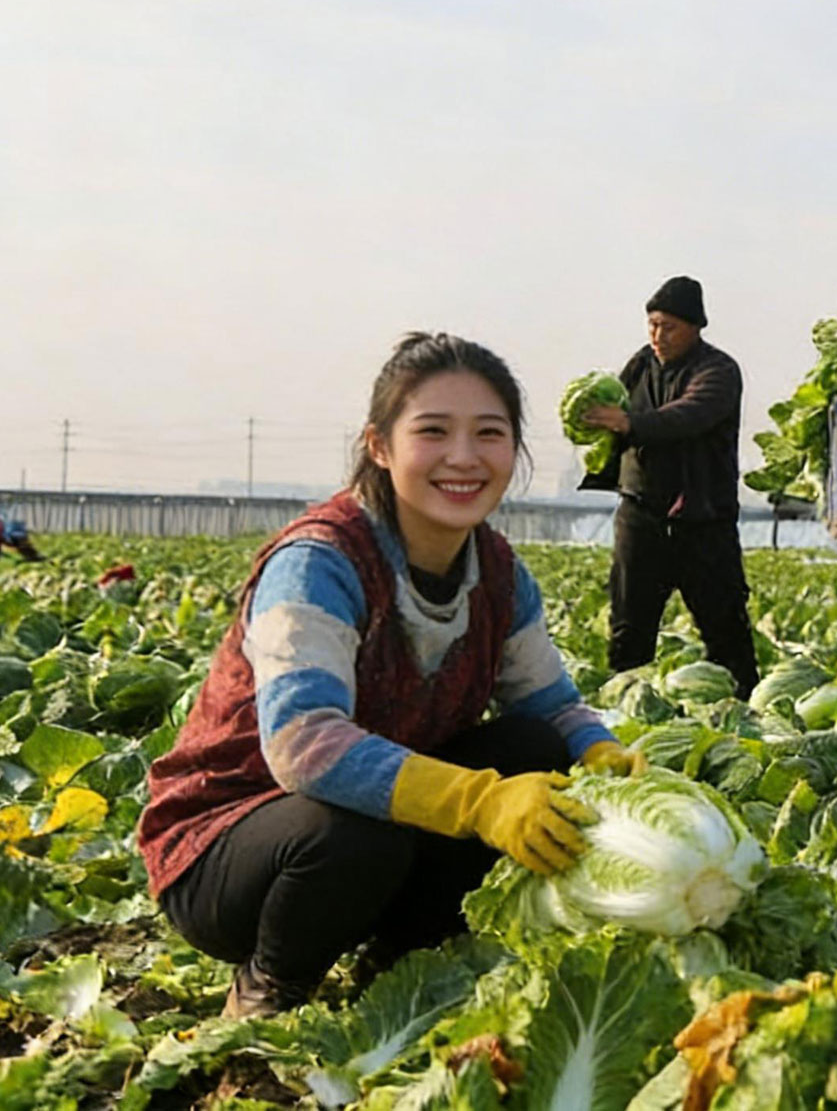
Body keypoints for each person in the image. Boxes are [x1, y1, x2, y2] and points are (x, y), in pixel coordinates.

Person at [137, 333, 645, 1019]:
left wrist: (598, 749)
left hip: (376, 829)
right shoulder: (320, 560)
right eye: (433, 431)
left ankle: (402, 954)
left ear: (514, 451)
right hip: (229, 847)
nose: (463, 457)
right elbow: (305, 745)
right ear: (379, 445)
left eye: (489, 434)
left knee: (533, 746)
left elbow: (552, 703)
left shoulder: (497, 574)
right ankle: (269, 985)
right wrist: (479, 802)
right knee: (356, 830)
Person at [578, 277, 758, 694]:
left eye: (669, 327)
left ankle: (744, 710)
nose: (658, 336)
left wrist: (629, 423)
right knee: (628, 630)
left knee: (726, 631)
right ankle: (623, 712)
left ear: (695, 327)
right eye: (653, 325)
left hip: (703, 521)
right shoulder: (641, 365)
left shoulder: (718, 370)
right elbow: (616, 408)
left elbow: (690, 415)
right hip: (642, 516)